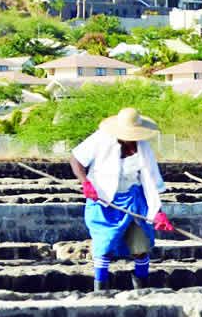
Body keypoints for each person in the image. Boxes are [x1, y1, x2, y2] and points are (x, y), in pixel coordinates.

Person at [70, 107, 174, 293]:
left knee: (141, 245)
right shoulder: (100, 139)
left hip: (134, 200)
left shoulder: (143, 147)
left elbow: (150, 180)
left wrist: (157, 211)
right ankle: (100, 291)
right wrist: (85, 182)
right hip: (103, 200)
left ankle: (142, 289)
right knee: (104, 246)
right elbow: (75, 159)